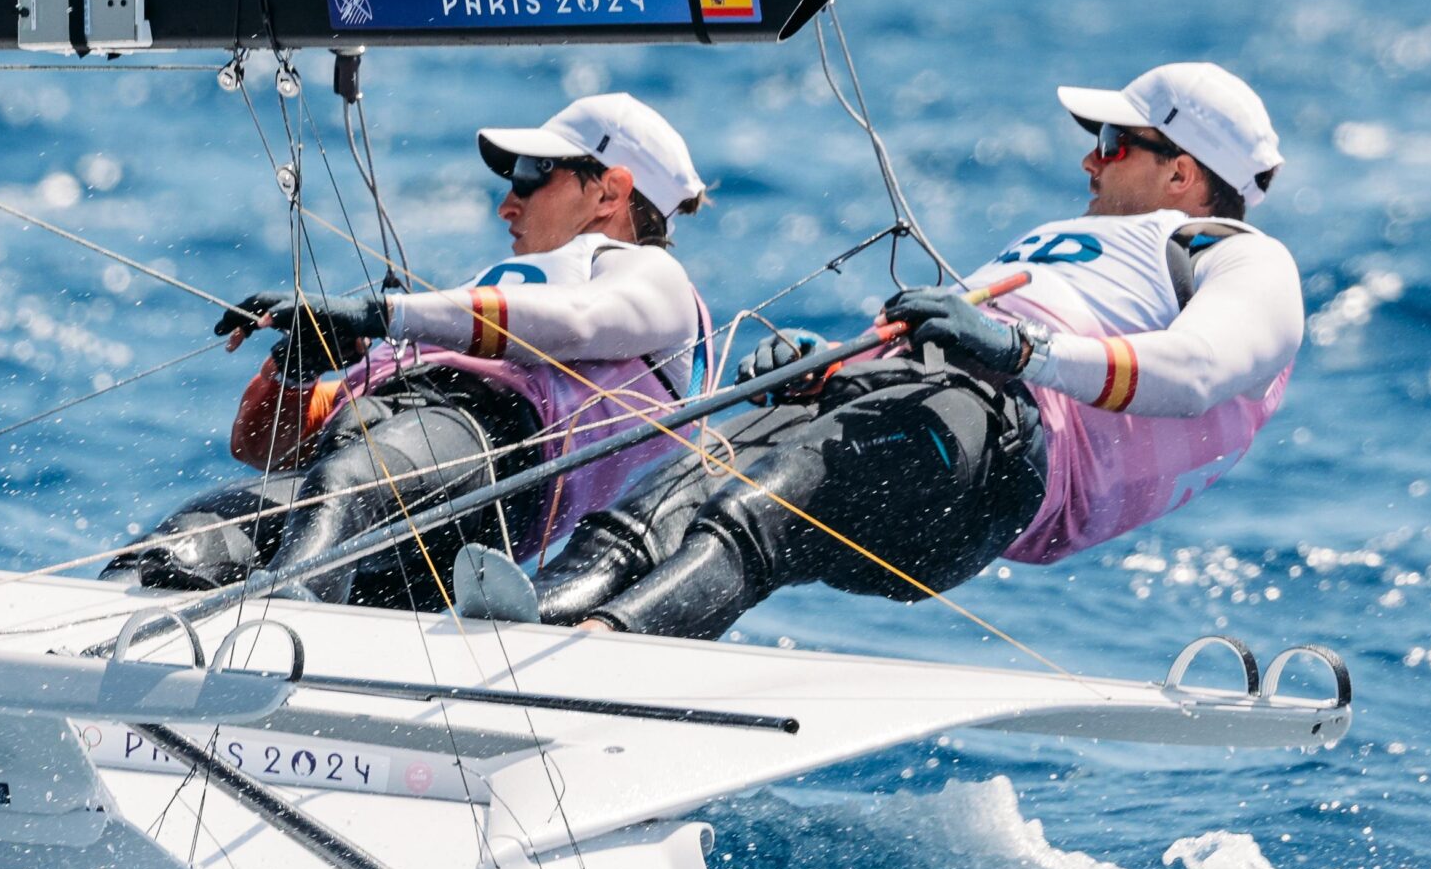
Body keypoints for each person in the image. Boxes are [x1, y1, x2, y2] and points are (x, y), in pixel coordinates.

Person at [531, 60, 1302, 638]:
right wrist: (832, 365)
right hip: (921, 407)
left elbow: (1199, 370)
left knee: (758, 498)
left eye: (1112, 142)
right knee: (675, 486)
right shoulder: (1082, 241)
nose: (1089, 160)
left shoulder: (1240, 255)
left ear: (1181, 173)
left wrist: (1021, 350)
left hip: (1000, 456)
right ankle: (529, 621)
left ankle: (600, 648)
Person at [114, 92, 712, 606]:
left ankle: (279, 640)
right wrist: (295, 373)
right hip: (372, 486)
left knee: (345, 486)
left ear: (610, 192)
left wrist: (381, 315)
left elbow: (579, 324)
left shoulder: (653, 278)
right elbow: (262, 448)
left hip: (487, 465)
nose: (508, 202)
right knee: (199, 527)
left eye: (532, 173)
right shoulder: (491, 292)